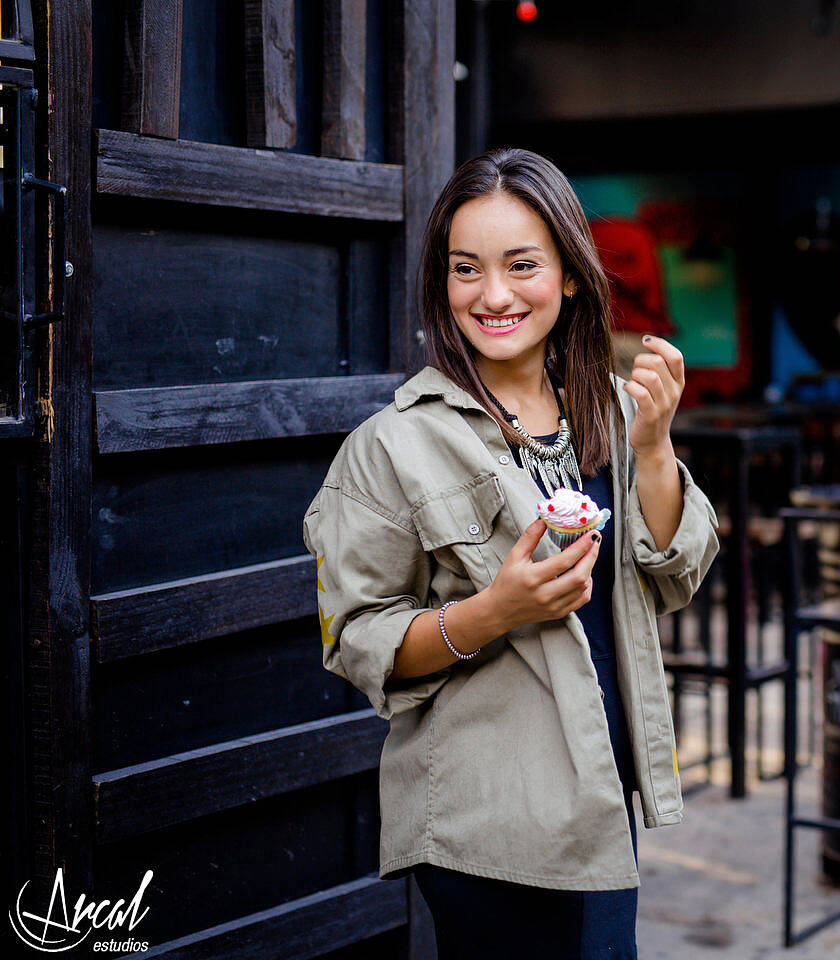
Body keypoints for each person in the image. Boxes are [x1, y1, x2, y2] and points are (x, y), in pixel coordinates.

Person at [301, 147, 720, 959]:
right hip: (490, 816)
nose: (492, 295)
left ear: (569, 275)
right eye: (466, 269)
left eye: (521, 264)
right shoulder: (394, 445)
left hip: (601, 794)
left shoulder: (604, 408)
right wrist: (497, 612)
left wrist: (657, 442)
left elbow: (671, 573)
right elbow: (359, 639)